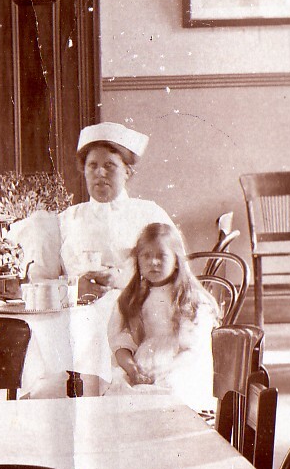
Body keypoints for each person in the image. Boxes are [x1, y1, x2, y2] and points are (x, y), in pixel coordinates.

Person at [56, 122, 178, 391]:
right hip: (77, 310)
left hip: (136, 308)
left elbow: (176, 268)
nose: (100, 173)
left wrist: (123, 278)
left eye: (109, 165)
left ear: (127, 171)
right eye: (92, 166)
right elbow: (51, 277)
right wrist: (74, 289)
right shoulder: (68, 219)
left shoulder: (147, 213)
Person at [107, 222, 218, 414]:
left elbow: (192, 350)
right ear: (138, 260)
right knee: (118, 390)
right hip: (141, 366)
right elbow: (120, 341)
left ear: (176, 260)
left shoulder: (189, 298)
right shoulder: (131, 298)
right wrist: (132, 369)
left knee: (167, 391)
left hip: (179, 365)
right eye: (146, 256)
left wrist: (162, 372)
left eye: (161, 256)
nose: (153, 262)